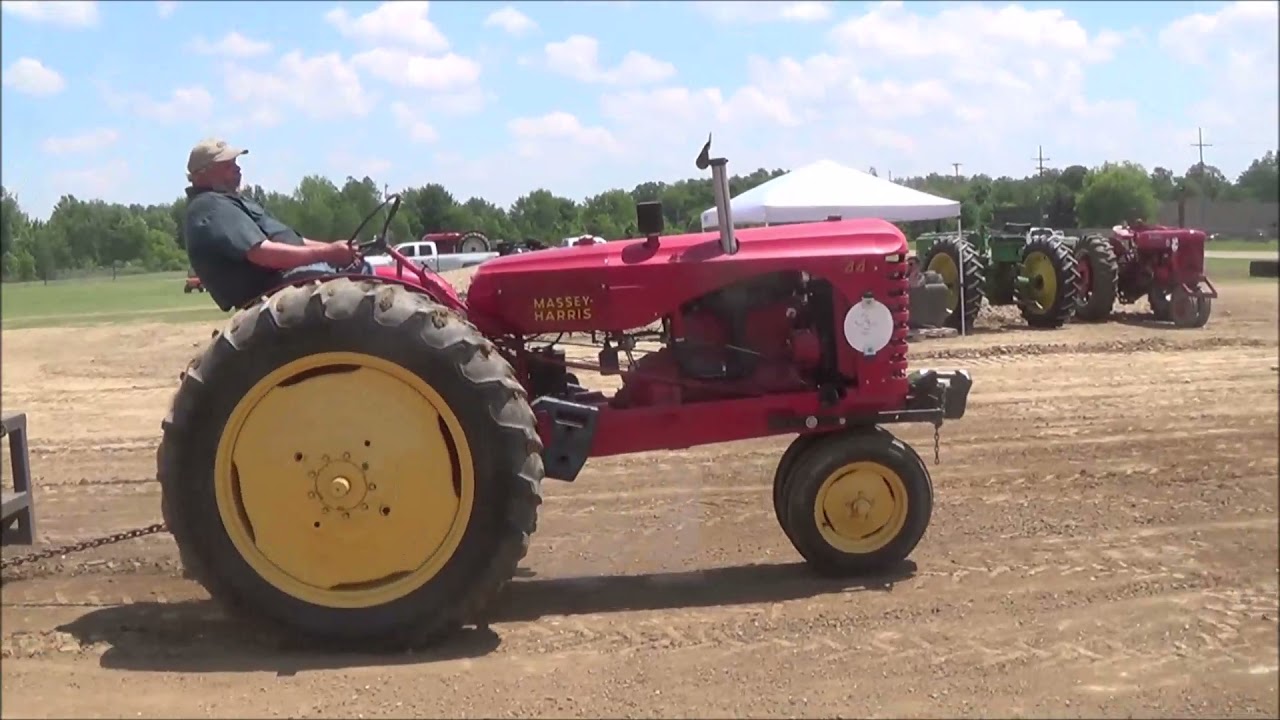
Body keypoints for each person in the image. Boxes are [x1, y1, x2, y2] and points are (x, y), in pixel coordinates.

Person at [181, 138, 370, 311]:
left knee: (364, 272)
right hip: (270, 289)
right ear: (202, 174)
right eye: (228, 165)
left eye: (236, 163)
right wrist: (328, 253)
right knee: (363, 291)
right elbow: (263, 253)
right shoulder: (210, 207)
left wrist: (338, 249)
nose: (238, 169)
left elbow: (292, 241)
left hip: (284, 280)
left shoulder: (232, 201)